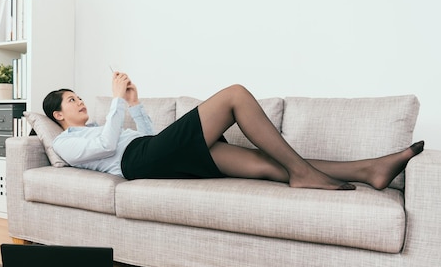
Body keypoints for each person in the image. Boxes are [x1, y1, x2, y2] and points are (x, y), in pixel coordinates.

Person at [43, 72, 424, 191]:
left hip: (152, 150)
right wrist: (114, 101)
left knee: (264, 164)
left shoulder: (95, 125)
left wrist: (134, 103)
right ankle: (306, 173)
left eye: (79, 97)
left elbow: (149, 133)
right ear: (58, 114)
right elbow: (112, 144)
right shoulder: (67, 143)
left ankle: (368, 170)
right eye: (72, 101)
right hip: (139, 162)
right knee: (234, 96)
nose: (80, 103)